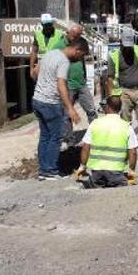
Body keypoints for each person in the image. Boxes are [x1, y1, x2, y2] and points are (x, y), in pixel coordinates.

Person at [32, 37, 90, 180]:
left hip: (37, 100)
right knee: (55, 137)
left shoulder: (50, 53)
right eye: (81, 56)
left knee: (45, 137)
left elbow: (35, 72)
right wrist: (70, 108)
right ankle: (50, 171)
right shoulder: (63, 61)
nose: (80, 59)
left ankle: (43, 170)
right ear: (77, 50)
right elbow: (61, 84)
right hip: (51, 104)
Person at [106, 29, 138, 153]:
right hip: (124, 91)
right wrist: (110, 97)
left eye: (130, 45)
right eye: (125, 45)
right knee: (125, 120)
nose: (128, 48)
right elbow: (110, 78)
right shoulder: (114, 56)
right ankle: (126, 142)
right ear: (121, 43)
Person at [74, 95, 138, 188]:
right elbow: (133, 152)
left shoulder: (95, 123)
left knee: (94, 184)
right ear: (120, 108)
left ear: (107, 107)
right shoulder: (126, 127)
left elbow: (85, 148)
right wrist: (131, 172)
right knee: (123, 185)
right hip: (116, 173)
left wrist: (82, 167)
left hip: (97, 173)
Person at [62, 24, 98, 146]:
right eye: (77, 35)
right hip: (68, 86)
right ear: (70, 32)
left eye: (79, 35)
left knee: (92, 110)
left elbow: (88, 58)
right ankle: (69, 140)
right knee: (67, 115)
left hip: (82, 84)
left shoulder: (79, 44)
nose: (78, 37)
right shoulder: (60, 45)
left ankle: (96, 136)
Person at [29, 13, 66, 80]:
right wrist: (31, 69)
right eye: (46, 25)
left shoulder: (60, 34)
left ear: (52, 23)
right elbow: (34, 51)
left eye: (49, 24)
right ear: (42, 24)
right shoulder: (37, 34)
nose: (48, 27)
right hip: (41, 65)